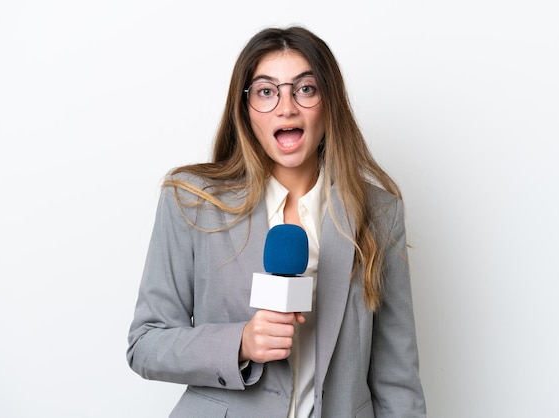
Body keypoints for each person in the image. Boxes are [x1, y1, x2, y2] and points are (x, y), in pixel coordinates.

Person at [127, 25, 426, 418]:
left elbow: (396, 379)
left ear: (329, 102)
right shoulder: (191, 201)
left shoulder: (379, 214)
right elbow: (145, 344)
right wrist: (241, 343)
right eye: (267, 92)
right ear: (245, 109)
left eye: (305, 89)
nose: (287, 108)